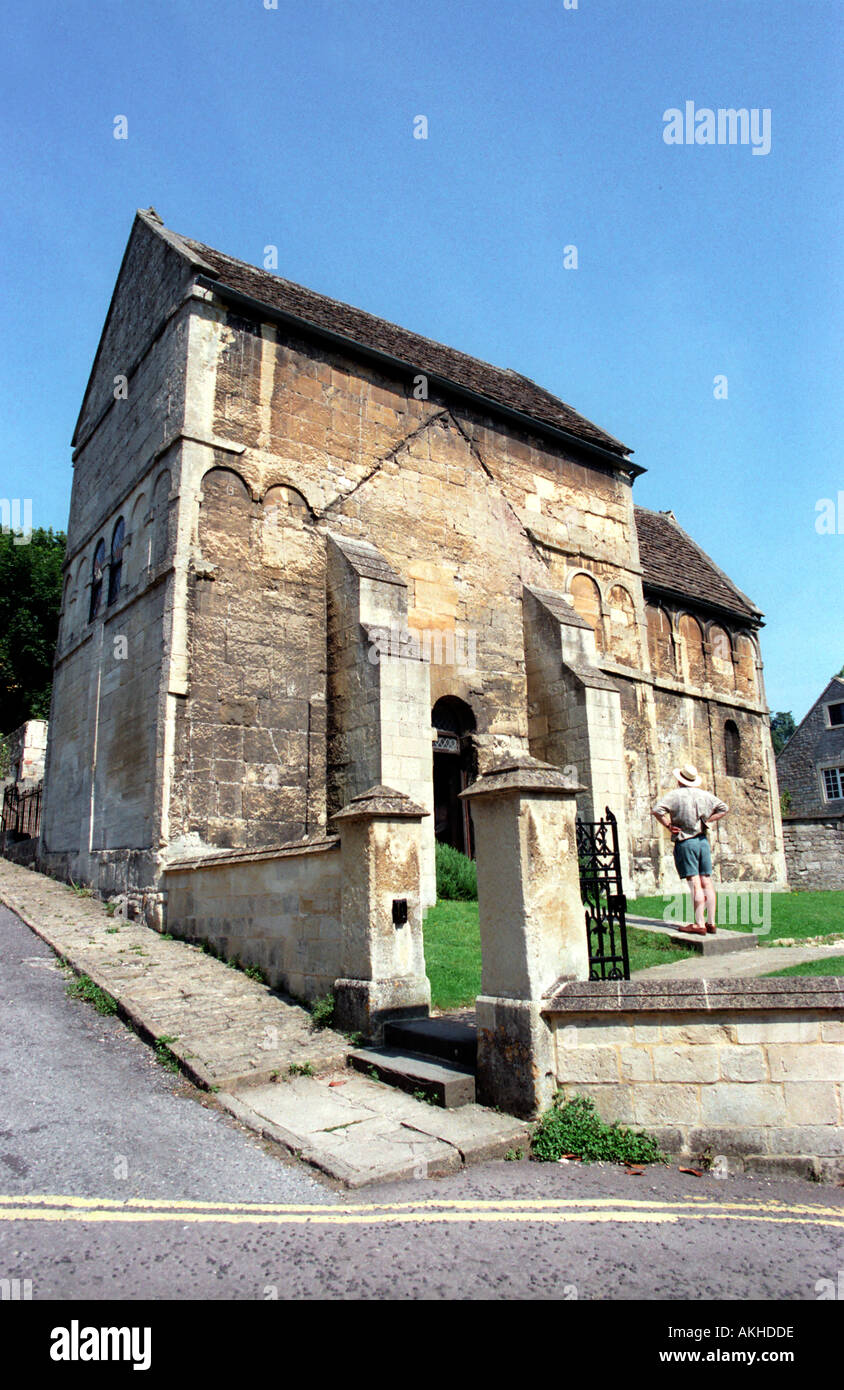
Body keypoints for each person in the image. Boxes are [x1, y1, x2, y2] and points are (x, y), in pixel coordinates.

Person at [651, 764, 729, 936]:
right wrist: (708, 821)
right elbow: (724, 808)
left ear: (680, 780)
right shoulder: (704, 795)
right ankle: (711, 922)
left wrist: (668, 825)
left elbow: (656, 810)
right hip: (702, 841)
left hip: (686, 841)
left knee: (695, 883)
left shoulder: (675, 795)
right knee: (706, 881)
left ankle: (699, 924)